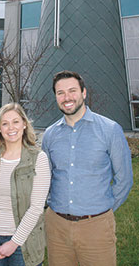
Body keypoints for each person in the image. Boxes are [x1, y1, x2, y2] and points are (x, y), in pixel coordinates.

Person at [42, 70, 133, 266]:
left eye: (72, 91)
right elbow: (45, 178)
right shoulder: (50, 135)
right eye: (60, 93)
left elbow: (124, 179)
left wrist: (103, 210)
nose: (67, 97)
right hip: (57, 226)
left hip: (96, 228)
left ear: (83, 93)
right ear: (56, 97)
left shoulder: (110, 130)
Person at [0, 102, 51, 266]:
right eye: (5, 123)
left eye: (16, 122)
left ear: (24, 124)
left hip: (25, 241)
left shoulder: (38, 158)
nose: (11, 128)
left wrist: (14, 242)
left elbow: (37, 207)